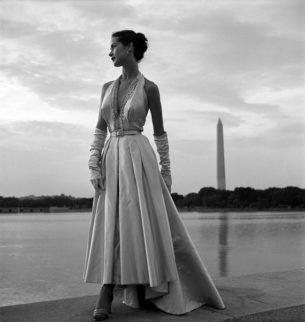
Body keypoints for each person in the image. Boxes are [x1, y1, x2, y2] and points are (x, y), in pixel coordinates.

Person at [83, 30, 225, 321]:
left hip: (139, 158)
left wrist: (167, 171)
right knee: (112, 224)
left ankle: (139, 286)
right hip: (111, 157)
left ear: (129, 48)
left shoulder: (151, 89)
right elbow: (99, 128)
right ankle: (107, 289)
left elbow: (160, 133)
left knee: (138, 224)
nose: (109, 52)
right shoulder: (106, 87)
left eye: (113, 47)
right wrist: (93, 163)